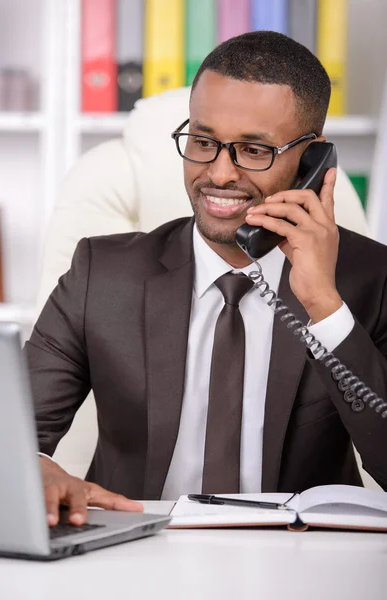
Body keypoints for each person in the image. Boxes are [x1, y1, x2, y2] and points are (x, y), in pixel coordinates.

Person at [26, 31, 387, 528]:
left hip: (301, 564)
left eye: (254, 150)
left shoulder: (371, 278)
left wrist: (323, 303)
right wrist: (36, 470)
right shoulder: (101, 274)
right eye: (203, 141)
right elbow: (8, 441)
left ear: (312, 160)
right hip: (136, 557)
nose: (219, 174)